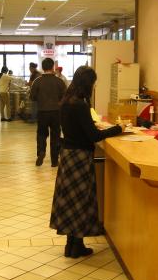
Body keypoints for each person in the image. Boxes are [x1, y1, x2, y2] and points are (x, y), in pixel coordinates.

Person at [50, 66, 124, 258]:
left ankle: (71, 245)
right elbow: (93, 136)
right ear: (88, 83)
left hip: (67, 156)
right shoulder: (80, 104)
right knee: (81, 202)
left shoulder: (66, 101)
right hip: (80, 158)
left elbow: (77, 128)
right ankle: (77, 246)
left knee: (70, 201)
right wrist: (118, 129)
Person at [30, 58, 67, 167]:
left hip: (42, 111)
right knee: (55, 135)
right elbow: (64, 97)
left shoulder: (37, 81)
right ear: (52, 68)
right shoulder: (59, 81)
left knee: (41, 134)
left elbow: (32, 97)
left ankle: (41, 152)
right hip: (56, 112)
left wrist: (41, 99)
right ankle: (54, 161)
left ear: (43, 67)